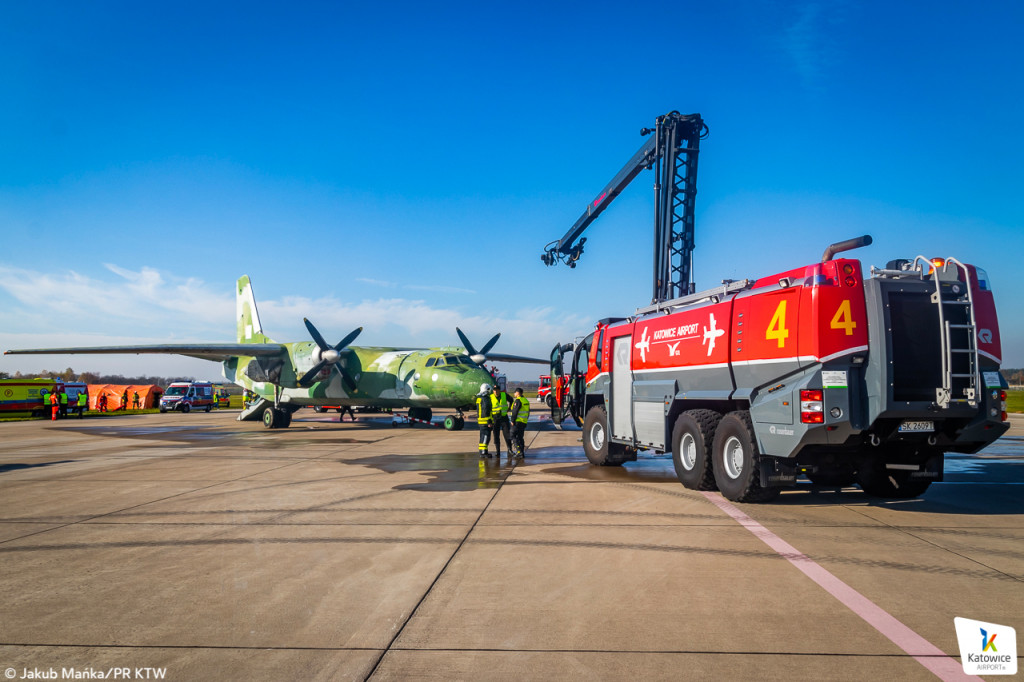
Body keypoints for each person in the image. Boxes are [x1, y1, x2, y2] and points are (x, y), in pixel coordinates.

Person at [490, 383, 513, 457]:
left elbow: (511, 400)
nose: (495, 392)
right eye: (494, 390)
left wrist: (509, 408)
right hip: (495, 418)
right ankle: (498, 451)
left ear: (499, 390)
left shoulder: (504, 395)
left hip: (504, 418)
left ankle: (510, 449)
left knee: (507, 434)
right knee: (496, 435)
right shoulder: (490, 397)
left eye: (497, 390)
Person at [510, 387, 530, 458]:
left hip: (517, 422)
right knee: (520, 437)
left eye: (515, 392)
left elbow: (515, 412)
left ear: (517, 393)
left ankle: (519, 451)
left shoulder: (518, 401)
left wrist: (512, 420)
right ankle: (522, 452)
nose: (514, 394)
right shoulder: (526, 401)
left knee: (513, 435)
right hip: (523, 422)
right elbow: (528, 412)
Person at [475, 383, 493, 457]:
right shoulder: (486, 399)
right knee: (486, 436)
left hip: (480, 421)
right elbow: (486, 410)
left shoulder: (479, 399)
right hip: (486, 421)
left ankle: (482, 451)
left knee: (482, 437)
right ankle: (483, 452)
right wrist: (489, 421)